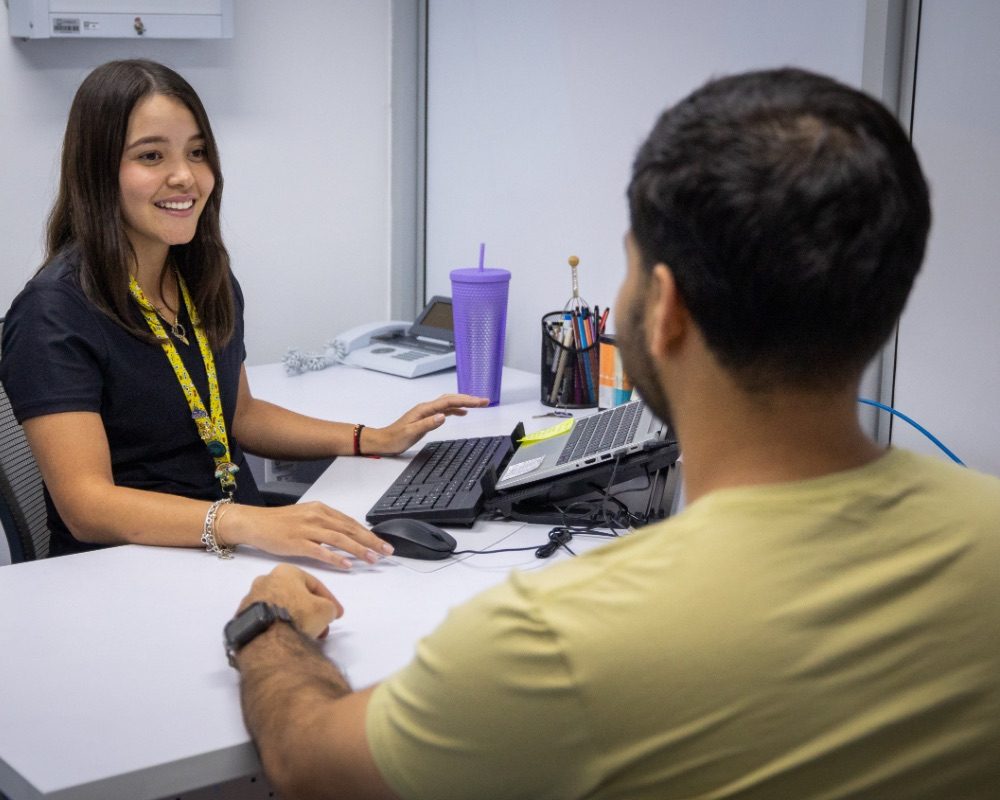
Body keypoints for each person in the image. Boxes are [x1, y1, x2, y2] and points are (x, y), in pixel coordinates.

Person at [225, 68, 1000, 799]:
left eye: (627, 265)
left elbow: (307, 761)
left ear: (665, 308)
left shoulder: (554, 640)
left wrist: (270, 624)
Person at [0, 59, 487, 565]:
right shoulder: (53, 312)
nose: (184, 176)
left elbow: (240, 415)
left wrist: (373, 438)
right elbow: (87, 505)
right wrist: (248, 522)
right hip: (129, 564)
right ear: (97, 170)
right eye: (151, 156)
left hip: (231, 543)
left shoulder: (200, 277)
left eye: (197, 153)